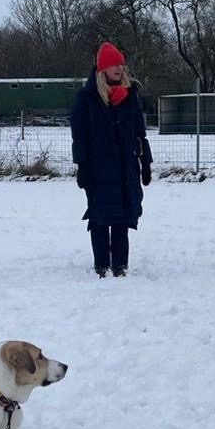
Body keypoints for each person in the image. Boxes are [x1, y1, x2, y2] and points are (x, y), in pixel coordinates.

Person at [70, 42, 153, 277]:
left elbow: (139, 132)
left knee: (123, 214)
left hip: (126, 166)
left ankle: (120, 264)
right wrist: (82, 166)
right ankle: (101, 264)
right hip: (98, 167)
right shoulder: (87, 98)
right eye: (114, 64)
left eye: (121, 64)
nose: (119, 68)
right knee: (99, 215)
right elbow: (80, 136)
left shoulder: (130, 95)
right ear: (103, 68)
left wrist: (145, 162)